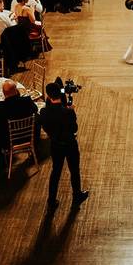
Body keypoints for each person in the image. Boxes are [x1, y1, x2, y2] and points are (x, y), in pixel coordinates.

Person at [39, 81, 89, 210]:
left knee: (55, 172)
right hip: (70, 145)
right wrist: (71, 111)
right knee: (74, 170)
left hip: (55, 145)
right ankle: (77, 195)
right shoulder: (68, 112)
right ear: (60, 96)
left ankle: (51, 200)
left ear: (49, 97)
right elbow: (74, 129)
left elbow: (45, 127)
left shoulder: (44, 112)